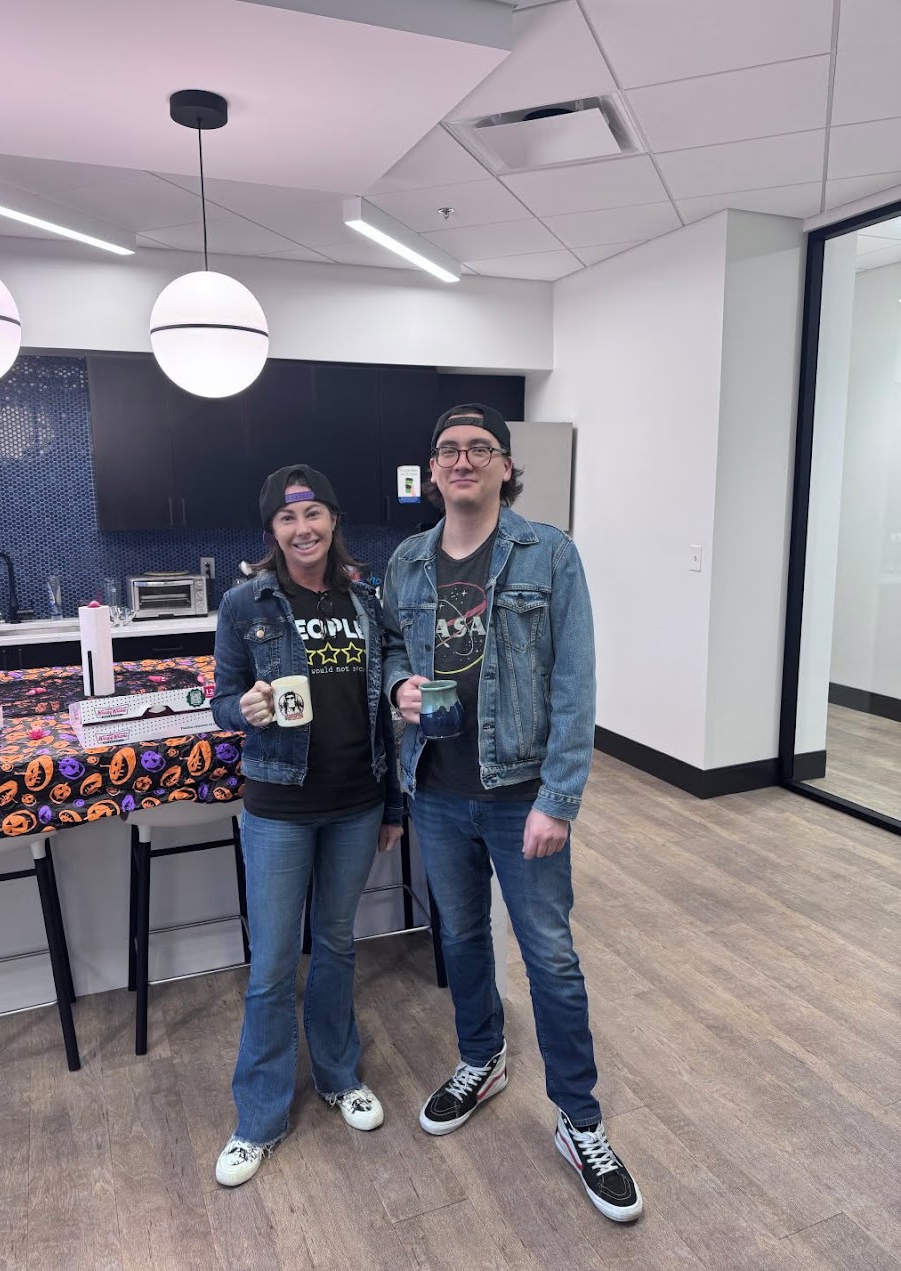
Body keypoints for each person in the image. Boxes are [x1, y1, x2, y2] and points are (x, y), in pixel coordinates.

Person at [382, 404, 643, 1223]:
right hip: (436, 787)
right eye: (448, 450)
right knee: (459, 939)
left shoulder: (549, 554)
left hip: (522, 794)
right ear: (432, 472)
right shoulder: (406, 561)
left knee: (550, 959)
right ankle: (480, 1058)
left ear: (503, 466)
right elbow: (391, 643)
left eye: (478, 450)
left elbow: (576, 681)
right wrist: (397, 685)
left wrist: (559, 798)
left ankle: (578, 1118)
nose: (462, 461)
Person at [211, 463, 403, 1188]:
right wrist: (244, 709)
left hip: (356, 801)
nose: (303, 530)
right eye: (288, 520)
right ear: (272, 531)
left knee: (335, 945)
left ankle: (337, 1075)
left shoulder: (363, 596)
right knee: (269, 968)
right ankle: (256, 1118)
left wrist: (392, 804)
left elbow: (384, 703)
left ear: (331, 520)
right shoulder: (244, 601)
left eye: (314, 515)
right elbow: (221, 696)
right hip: (280, 804)